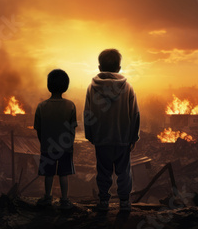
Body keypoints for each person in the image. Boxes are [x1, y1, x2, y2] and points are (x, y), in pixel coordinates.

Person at [84, 49, 140, 212]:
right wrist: (133, 138)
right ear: (119, 68)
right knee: (124, 172)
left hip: (101, 139)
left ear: (100, 67)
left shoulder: (92, 87)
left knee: (103, 171)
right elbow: (135, 114)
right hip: (122, 139)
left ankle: (103, 201)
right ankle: (124, 202)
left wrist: (91, 136)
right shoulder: (128, 87)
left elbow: (87, 114)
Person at [34, 69, 77, 210]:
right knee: (63, 174)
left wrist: (44, 142)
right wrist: (69, 143)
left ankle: (47, 197)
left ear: (49, 85)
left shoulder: (41, 106)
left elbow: (38, 129)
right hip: (65, 147)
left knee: (48, 174)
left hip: (47, 146)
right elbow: (72, 129)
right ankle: (64, 200)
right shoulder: (70, 106)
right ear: (66, 86)